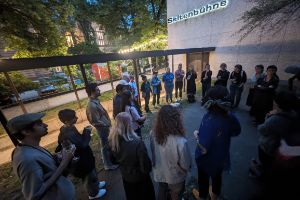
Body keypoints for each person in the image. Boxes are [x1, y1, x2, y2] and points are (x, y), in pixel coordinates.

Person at [8, 113, 76, 200]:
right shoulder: (26, 159)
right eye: (39, 124)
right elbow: (34, 194)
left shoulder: (31, 148)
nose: (45, 125)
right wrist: (64, 162)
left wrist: (57, 158)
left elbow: (45, 171)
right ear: (26, 131)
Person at [194, 86, 241, 200]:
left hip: (206, 159)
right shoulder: (230, 116)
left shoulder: (209, 119)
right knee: (217, 177)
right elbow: (236, 131)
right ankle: (214, 195)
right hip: (221, 156)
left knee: (203, 179)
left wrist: (196, 136)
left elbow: (203, 147)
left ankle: (202, 196)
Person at [57, 109, 106, 199]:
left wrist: (84, 133)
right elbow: (83, 144)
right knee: (88, 176)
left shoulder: (69, 127)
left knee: (92, 171)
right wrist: (87, 132)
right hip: (81, 160)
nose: (77, 118)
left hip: (85, 156)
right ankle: (93, 194)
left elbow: (79, 141)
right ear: (67, 121)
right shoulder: (67, 133)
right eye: (74, 117)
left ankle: (96, 184)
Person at [250, 91, 299, 179]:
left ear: (279, 105)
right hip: (283, 148)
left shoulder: (276, 119)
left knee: (266, 163)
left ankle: (262, 173)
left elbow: (262, 129)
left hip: (269, 147)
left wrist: (268, 116)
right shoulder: (294, 115)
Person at [108, 112, 155, 200]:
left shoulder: (112, 141)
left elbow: (113, 160)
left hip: (126, 177)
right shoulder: (137, 143)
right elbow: (146, 167)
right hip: (140, 179)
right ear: (129, 125)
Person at [150, 105, 192, 200]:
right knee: (176, 194)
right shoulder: (180, 141)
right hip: (175, 176)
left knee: (162, 190)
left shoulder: (152, 134)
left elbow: (153, 153)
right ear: (176, 119)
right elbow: (186, 164)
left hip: (160, 173)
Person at [86, 83, 118, 170]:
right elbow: (94, 121)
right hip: (103, 129)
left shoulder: (95, 101)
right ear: (92, 92)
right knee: (105, 147)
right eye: (97, 89)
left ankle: (111, 161)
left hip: (106, 127)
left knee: (108, 145)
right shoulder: (91, 105)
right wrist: (105, 125)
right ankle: (108, 165)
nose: (99, 90)